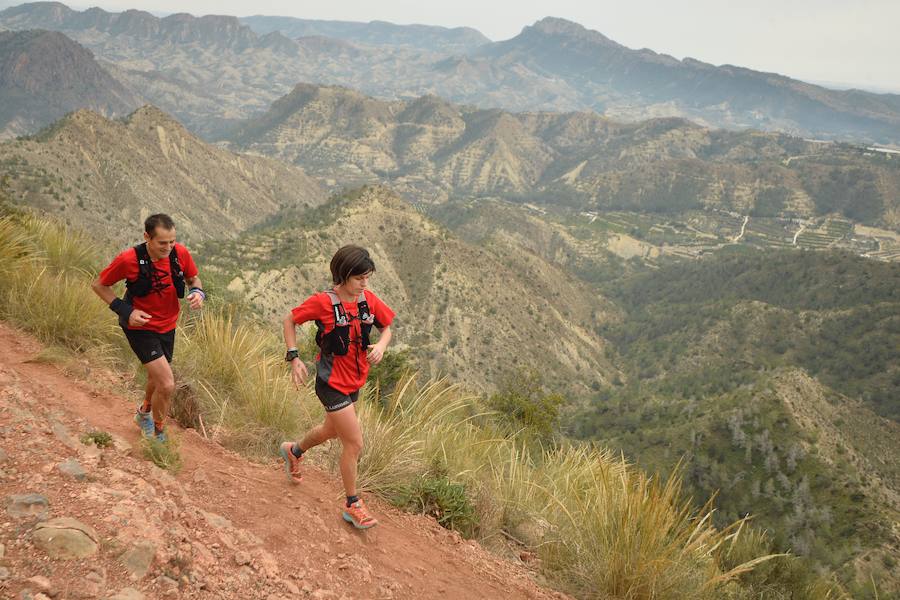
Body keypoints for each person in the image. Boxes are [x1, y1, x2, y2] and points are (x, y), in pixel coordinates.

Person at [280, 245, 394, 530]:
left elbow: (387, 327)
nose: (365, 283)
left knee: (330, 430)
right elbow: (290, 320)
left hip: (355, 381)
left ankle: (294, 451)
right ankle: (353, 504)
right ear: (343, 276)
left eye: (367, 278)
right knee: (354, 443)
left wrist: (381, 345)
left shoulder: (367, 300)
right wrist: (294, 357)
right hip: (331, 384)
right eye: (359, 278)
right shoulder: (323, 302)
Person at [91, 213, 204, 442]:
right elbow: (99, 285)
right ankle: (159, 432)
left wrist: (197, 292)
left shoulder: (179, 253)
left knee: (156, 376)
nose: (169, 247)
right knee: (167, 383)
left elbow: (193, 279)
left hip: (168, 325)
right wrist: (126, 311)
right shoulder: (128, 260)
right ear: (147, 237)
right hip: (140, 327)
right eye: (163, 243)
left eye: (172, 241)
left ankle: (144, 413)